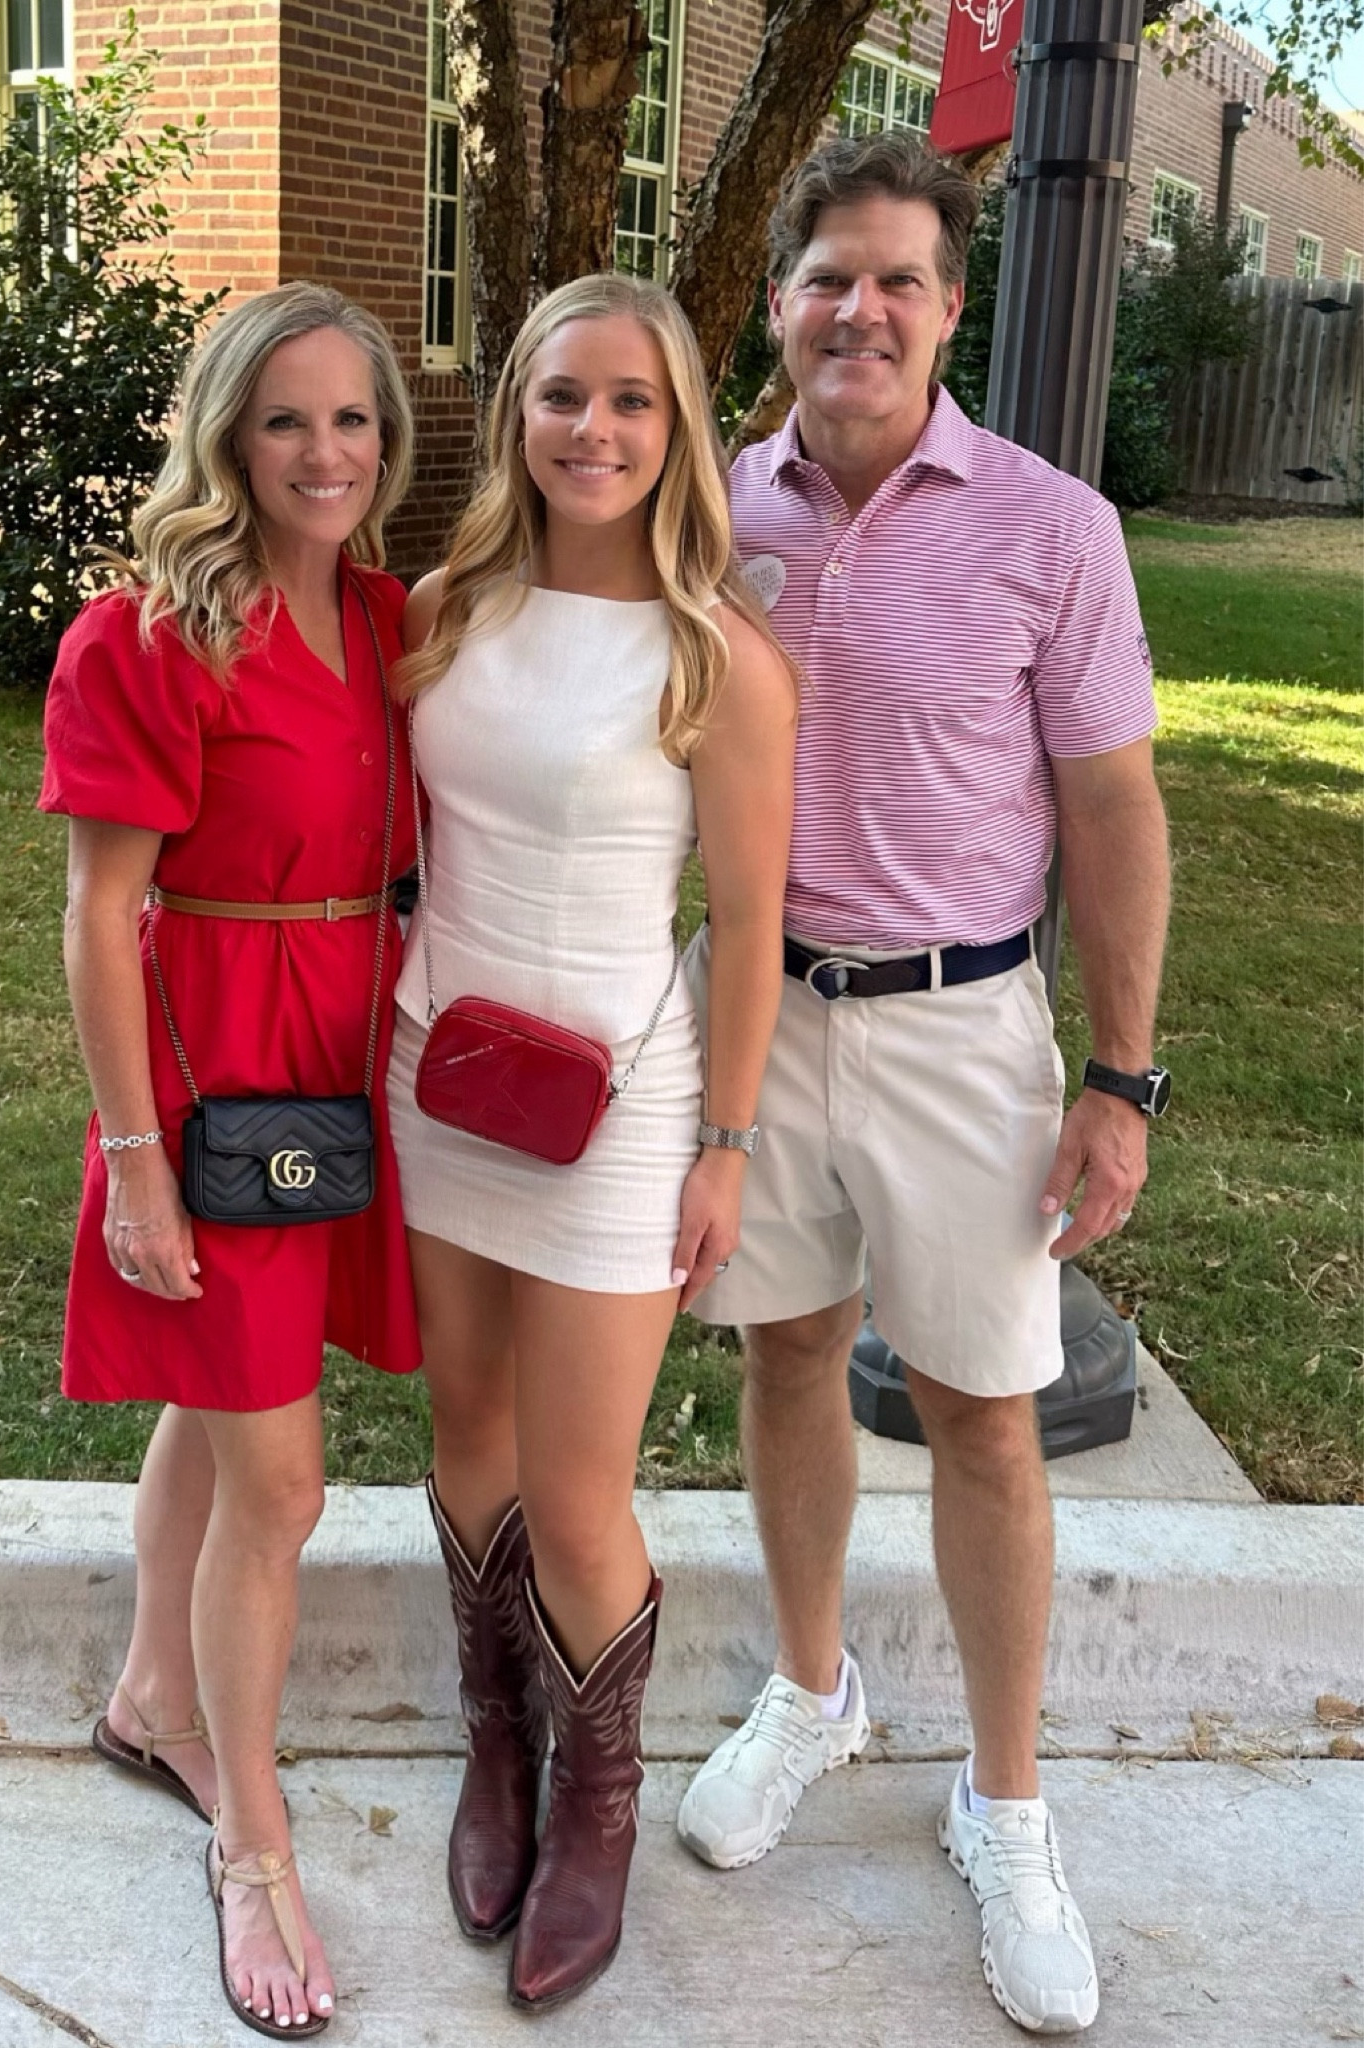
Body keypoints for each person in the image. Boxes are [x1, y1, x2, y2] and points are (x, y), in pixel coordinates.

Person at [674, 134, 1170, 2037]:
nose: (857, 309)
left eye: (897, 279)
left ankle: (1005, 1799)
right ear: (781, 301)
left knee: (982, 1415)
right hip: (763, 1016)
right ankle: (812, 1688)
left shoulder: (1053, 527)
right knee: (784, 1354)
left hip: (968, 1026)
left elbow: (1114, 809)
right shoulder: (720, 515)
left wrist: (1117, 1076)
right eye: (826, 276)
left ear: (949, 308)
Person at [388, 273, 798, 2011]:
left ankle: (600, 1802)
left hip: (622, 1109)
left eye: (633, 403)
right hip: (437, 1069)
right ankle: (498, 1745)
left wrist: (724, 1142)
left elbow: (755, 926)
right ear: (519, 414)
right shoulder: (444, 610)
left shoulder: (720, 655)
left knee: (576, 1485)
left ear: (680, 429)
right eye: (565, 396)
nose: (595, 431)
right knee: (462, 1423)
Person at [39, 281, 421, 2041]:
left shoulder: (398, 620)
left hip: (350, 1054)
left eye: (352, 420)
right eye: (285, 421)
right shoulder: (145, 636)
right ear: (227, 436)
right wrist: (132, 1159)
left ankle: (149, 1702)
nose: (323, 454)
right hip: (216, 1077)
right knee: (280, 1482)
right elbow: (100, 910)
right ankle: (252, 1846)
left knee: (221, 1399)